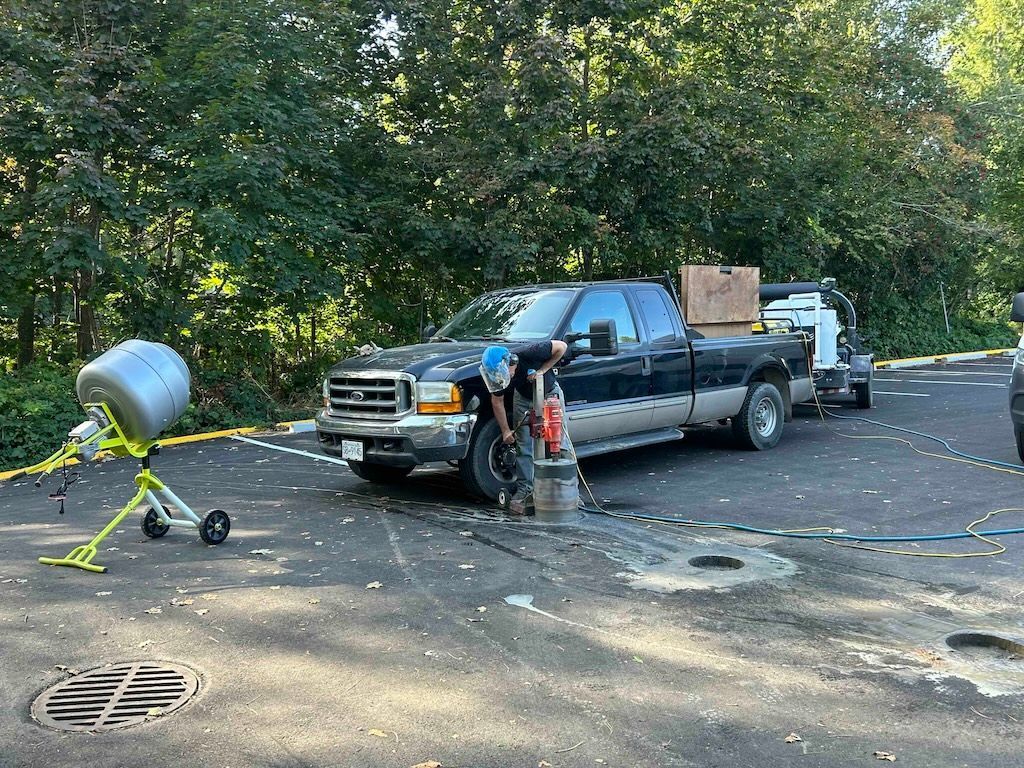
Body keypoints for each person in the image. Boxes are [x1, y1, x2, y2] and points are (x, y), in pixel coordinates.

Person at [479, 341, 572, 507]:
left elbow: (562, 347)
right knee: (524, 445)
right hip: (522, 398)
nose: (502, 379)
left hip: (549, 393)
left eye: (504, 373)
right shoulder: (498, 377)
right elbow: (497, 402)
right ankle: (526, 488)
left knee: (558, 440)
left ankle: (567, 489)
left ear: (511, 361)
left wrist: (542, 370)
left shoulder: (531, 352)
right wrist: (506, 431)